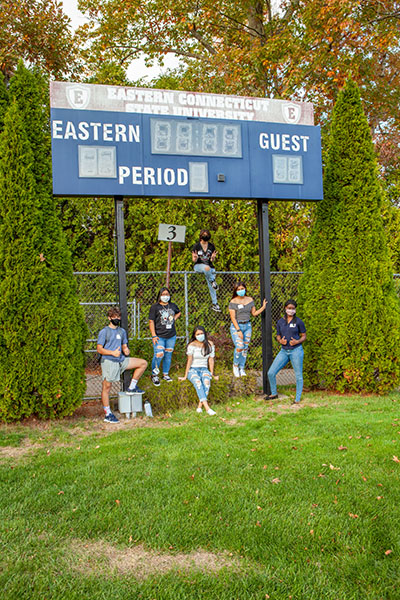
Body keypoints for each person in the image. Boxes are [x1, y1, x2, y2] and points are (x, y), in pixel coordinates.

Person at [97, 306, 148, 423]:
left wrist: (126, 350)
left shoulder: (122, 331)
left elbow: (124, 345)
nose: (117, 319)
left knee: (143, 363)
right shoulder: (104, 332)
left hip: (121, 360)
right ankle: (108, 413)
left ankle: (132, 387)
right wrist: (112, 353)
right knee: (107, 387)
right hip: (109, 362)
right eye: (114, 317)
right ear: (109, 318)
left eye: (118, 317)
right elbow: (99, 349)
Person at [267, 299, 306, 404]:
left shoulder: (298, 321)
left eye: (293, 308)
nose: (291, 310)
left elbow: (304, 336)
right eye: (289, 308)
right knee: (271, 372)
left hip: (296, 351)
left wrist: (297, 341)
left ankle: (297, 399)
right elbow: (278, 335)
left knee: (298, 376)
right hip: (284, 351)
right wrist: (280, 341)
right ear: (285, 309)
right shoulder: (280, 322)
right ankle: (274, 393)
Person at [228, 281, 267, 377]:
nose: (240, 291)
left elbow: (254, 313)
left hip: (248, 326)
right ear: (235, 291)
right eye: (238, 289)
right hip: (237, 326)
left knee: (245, 348)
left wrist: (263, 307)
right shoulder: (233, 302)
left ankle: (242, 368)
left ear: (245, 289)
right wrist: (238, 330)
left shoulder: (250, 299)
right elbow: (233, 318)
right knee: (240, 347)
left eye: (242, 289)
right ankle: (235, 366)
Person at [178, 326, 218, 415]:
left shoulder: (210, 344)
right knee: (198, 382)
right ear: (195, 335)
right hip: (193, 369)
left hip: (204, 369)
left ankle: (199, 406)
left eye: (201, 333)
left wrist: (212, 373)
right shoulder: (192, 345)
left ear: (205, 333)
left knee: (207, 383)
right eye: (198, 334)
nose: (200, 335)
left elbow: (211, 360)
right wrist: (185, 375)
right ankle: (207, 408)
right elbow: (189, 360)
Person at [149, 287, 181, 386]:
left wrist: (174, 318)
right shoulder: (154, 307)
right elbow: (151, 321)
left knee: (168, 355)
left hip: (171, 335)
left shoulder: (172, 305)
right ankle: (154, 375)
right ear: (159, 296)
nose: (165, 296)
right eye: (163, 294)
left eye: (167, 294)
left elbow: (178, 312)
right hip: (159, 336)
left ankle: (165, 374)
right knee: (159, 354)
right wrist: (154, 335)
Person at [191, 229, 221, 312]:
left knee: (212, 287)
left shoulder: (211, 246)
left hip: (209, 267)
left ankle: (215, 304)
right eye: (204, 234)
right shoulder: (196, 246)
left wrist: (213, 257)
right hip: (198, 266)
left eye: (207, 234)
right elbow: (193, 260)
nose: (205, 235)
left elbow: (211, 261)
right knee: (207, 268)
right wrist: (195, 257)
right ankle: (212, 281)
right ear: (201, 236)